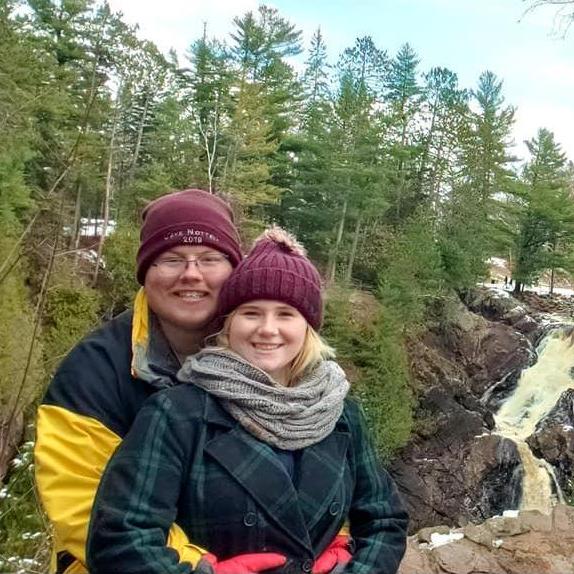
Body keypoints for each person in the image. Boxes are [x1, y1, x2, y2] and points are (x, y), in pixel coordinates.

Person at [86, 227, 409, 574]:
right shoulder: (176, 414)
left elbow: (385, 519)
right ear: (228, 325)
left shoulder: (340, 412)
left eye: (286, 314)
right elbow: (118, 538)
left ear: (308, 328)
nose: (267, 328)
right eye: (251, 313)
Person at [34, 189, 243, 574]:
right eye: (171, 259)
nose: (191, 274)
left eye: (210, 259)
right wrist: (202, 568)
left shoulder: (269, 353)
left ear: (234, 271)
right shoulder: (93, 371)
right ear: (145, 272)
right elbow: (85, 506)